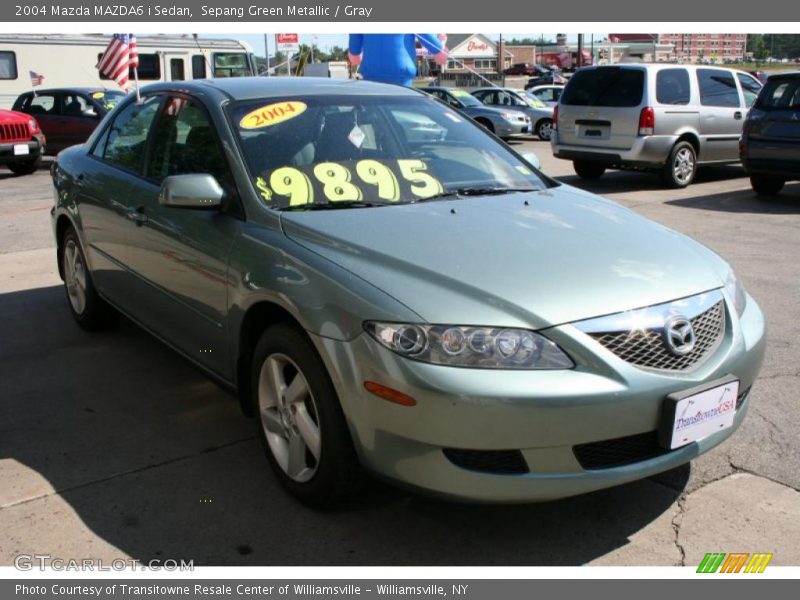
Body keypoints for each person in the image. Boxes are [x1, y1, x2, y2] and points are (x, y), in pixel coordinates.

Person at [347, 34, 448, 87]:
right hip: (402, 84)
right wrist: (442, 41)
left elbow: (354, 58)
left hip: (371, 82)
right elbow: (440, 57)